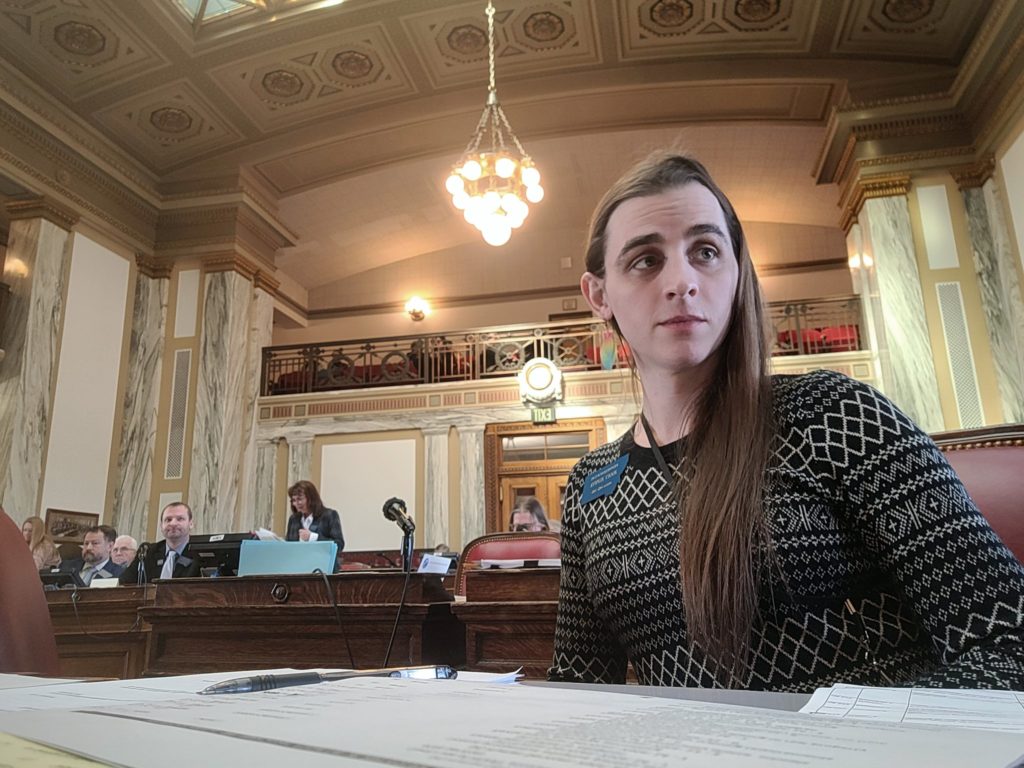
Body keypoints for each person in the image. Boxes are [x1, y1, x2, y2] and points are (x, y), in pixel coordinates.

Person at [549, 153, 1024, 691]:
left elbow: (1006, 635)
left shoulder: (835, 415)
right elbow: (579, 684)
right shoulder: (589, 487)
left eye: (705, 251)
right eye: (645, 260)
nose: (681, 280)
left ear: (735, 272)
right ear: (599, 294)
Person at [119, 502, 201, 584]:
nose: (173, 523)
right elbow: (124, 583)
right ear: (161, 526)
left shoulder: (201, 553)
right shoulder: (148, 552)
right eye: (168, 520)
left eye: (180, 519)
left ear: (191, 524)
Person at [285, 480, 344, 570]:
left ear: (311, 498)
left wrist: (313, 537)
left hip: (323, 571)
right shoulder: (294, 520)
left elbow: (339, 544)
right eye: (293, 500)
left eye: (300, 499)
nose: (296, 503)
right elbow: (289, 546)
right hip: (298, 569)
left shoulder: (329, 515)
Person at [58, 525, 123, 585]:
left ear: (110, 546)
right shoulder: (66, 567)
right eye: (86, 543)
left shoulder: (119, 574)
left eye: (95, 543)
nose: (88, 548)